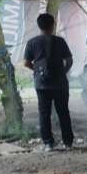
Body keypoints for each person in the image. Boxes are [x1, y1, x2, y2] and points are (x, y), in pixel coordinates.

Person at [23, 13, 74, 151]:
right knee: (63, 112)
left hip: (42, 84)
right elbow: (69, 60)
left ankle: (48, 143)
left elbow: (26, 63)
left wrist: (37, 70)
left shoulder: (32, 42)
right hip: (60, 83)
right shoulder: (60, 41)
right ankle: (68, 142)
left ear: (39, 26)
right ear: (53, 25)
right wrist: (63, 71)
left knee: (44, 113)